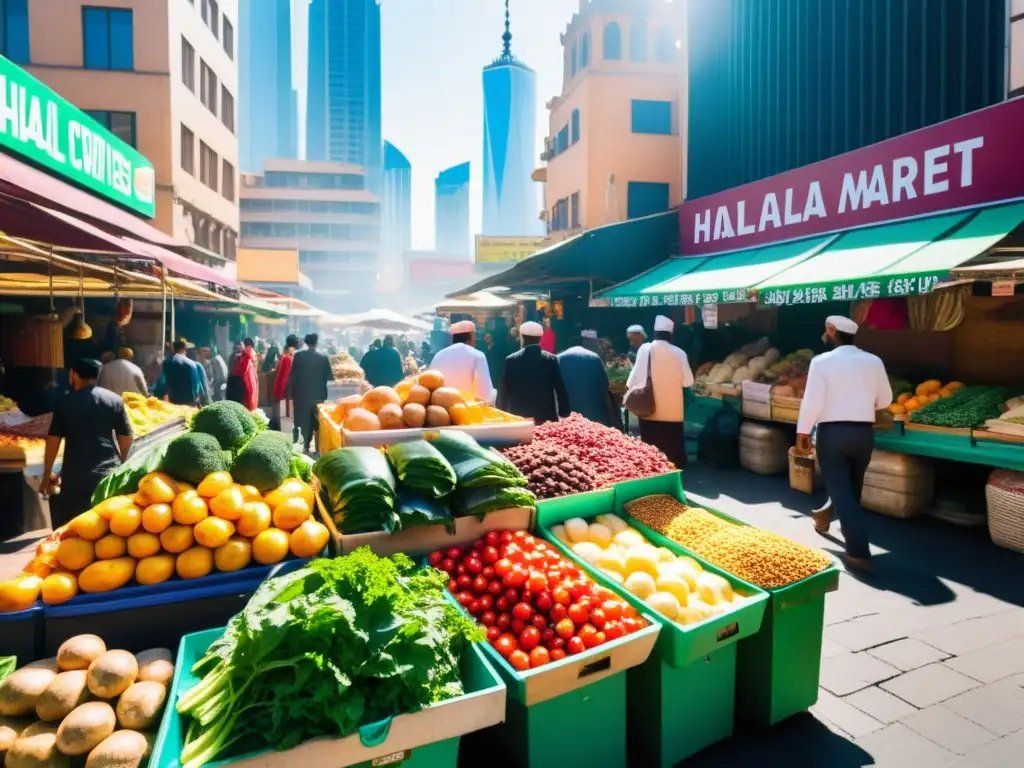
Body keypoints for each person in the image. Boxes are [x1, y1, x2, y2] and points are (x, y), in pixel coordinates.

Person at [795, 316, 893, 571]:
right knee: (851, 488)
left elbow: (812, 400)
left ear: (831, 331)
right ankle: (826, 514)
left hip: (833, 434)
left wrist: (802, 432)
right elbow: (885, 400)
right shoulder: (874, 361)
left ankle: (858, 551)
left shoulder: (822, 361)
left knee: (840, 487)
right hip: (863, 435)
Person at [39, 358, 134, 528]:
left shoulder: (65, 402)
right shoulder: (114, 400)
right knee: (104, 527)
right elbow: (126, 438)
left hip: (75, 475)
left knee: (75, 528)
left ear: (73, 375)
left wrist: (46, 475)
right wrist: (123, 464)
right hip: (107, 473)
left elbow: (53, 440)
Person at [626, 315, 694, 469]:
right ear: (670, 335)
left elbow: (631, 381)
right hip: (673, 415)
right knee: (672, 452)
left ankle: (653, 475)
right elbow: (688, 382)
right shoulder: (680, 353)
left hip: (648, 410)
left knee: (651, 451)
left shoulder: (644, 349)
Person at [498, 321, 571, 424]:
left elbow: (504, 392)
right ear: (540, 338)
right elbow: (560, 388)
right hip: (546, 419)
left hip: (519, 419)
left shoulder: (511, 360)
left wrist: (502, 414)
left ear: (522, 338)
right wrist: (565, 412)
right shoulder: (551, 360)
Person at [429, 321, 495, 403]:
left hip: (441, 411)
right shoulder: (478, 355)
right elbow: (486, 394)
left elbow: (429, 384)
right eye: (475, 337)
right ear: (471, 336)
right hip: (466, 411)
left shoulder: (438, 355)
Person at [557, 333, 616, 426]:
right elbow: (604, 384)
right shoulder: (594, 357)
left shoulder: (559, 358)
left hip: (567, 412)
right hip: (594, 412)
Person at [287, 333, 333, 453]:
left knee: (301, 421)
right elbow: (330, 376)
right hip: (318, 394)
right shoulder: (323, 357)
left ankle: (303, 446)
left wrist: (289, 392)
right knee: (316, 421)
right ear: (316, 342)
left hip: (301, 393)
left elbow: (293, 376)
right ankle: (317, 448)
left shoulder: (298, 356)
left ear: (306, 342)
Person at [160, 340, 203, 405]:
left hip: (172, 397)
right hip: (188, 397)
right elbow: (195, 382)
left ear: (173, 349)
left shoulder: (166, 363)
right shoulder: (192, 363)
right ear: (184, 349)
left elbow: (163, 381)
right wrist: (196, 394)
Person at [271, 335, 299, 431]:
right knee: (289, 414)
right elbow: (287, 376)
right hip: (288, 388)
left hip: (284, 387)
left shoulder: (286, 355)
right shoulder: (288, 357)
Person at [230, 338, 259, 411]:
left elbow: (236, 372)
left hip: (244, 385)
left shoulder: (245, 357)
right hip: (251, 383)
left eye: (242, 345)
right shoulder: (252, 355)